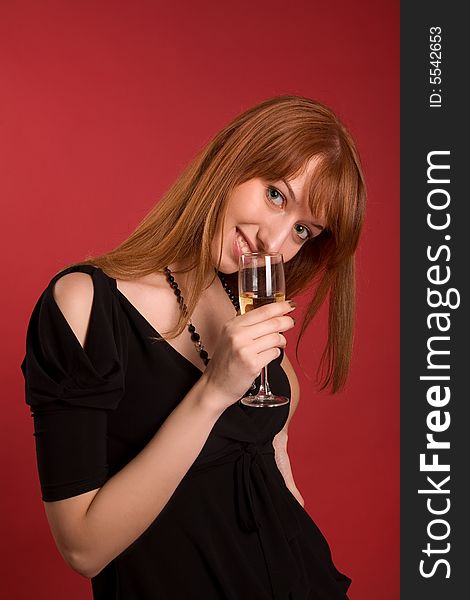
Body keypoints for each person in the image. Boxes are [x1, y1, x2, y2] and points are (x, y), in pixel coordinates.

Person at [20, 95, 366, 599]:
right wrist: (213, 392)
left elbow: (274, 467)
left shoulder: (246, 301)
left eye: (302, 230)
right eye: (276, 195)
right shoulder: (84, 303)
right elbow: (83, 549)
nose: (275, 240)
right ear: (232, 162)